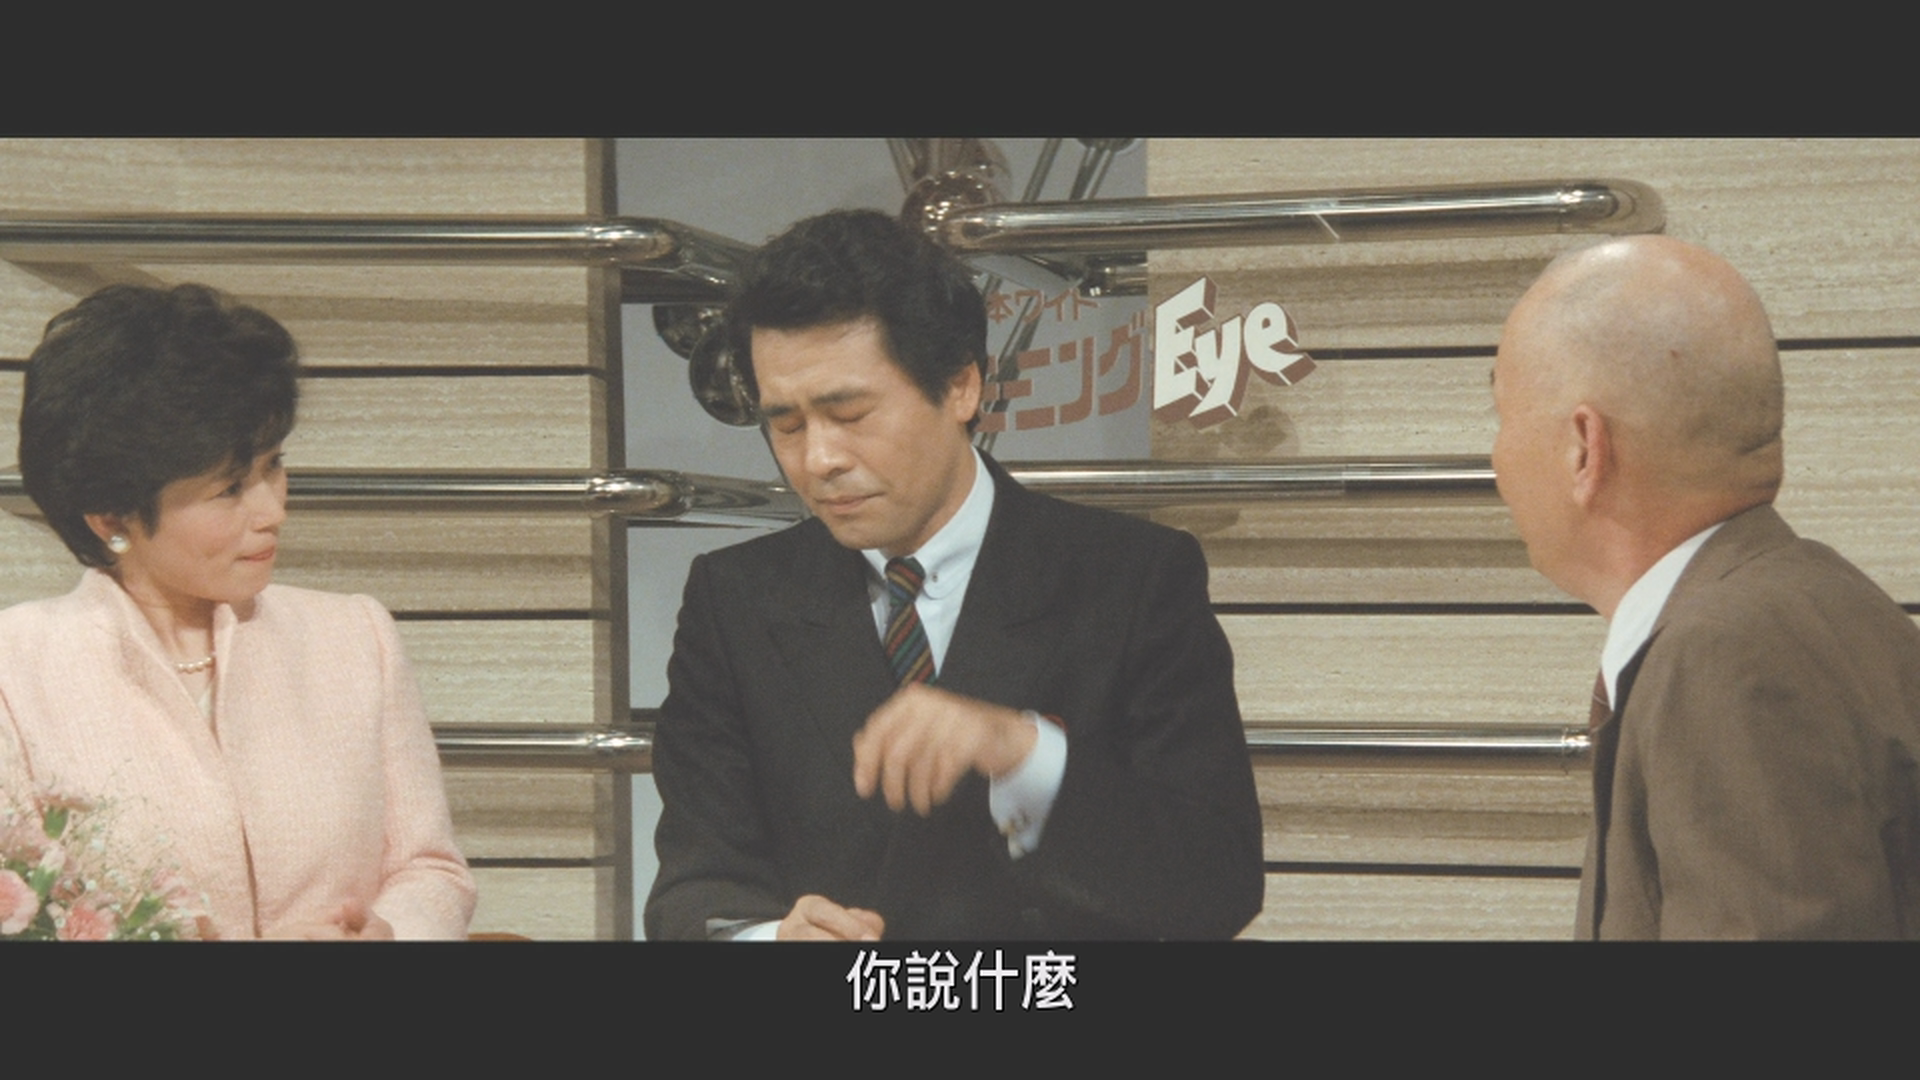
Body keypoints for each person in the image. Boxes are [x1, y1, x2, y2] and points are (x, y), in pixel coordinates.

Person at [644, 210, 1265, 940]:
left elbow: (1216, 883)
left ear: (961, 387)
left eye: (851, 414)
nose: (818, 460)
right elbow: (693, 887)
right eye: (786, 425)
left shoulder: (1130, 579)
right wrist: (769, 940)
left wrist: (1021, 755)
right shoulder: (736, 600)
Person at [0, 283, 475, 940]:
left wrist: (391, 932)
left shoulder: (355, 637)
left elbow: (430, 869)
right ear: (112, 517)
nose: (273, 510)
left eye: (273, 466)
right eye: (229, 489)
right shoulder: (16, 672)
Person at [1491, 234, 1920, 939]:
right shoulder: (1823, 603)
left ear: (1583, 448)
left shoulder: (1724, 657)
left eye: (1504, 417)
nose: (1497, 459)